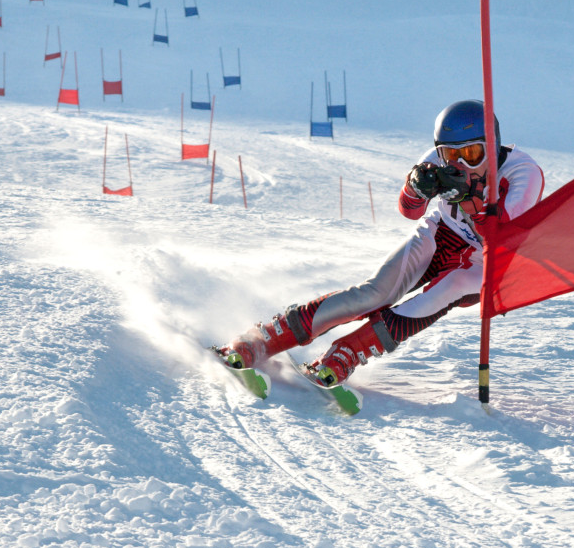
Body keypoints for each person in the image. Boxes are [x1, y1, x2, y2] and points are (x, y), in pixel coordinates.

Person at [216, 100, 545, 387]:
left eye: (472, 154)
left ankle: (347, 352)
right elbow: (408, 211)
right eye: (450, 154)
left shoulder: (523, 174)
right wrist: (416, 188)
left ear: (492, 145)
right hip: (442, 233)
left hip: (485, 260)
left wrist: (469, 198)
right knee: (376, 292)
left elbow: (501, 238)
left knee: (445, 290)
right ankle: (265, 338)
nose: (459, 164)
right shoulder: (438, 161)